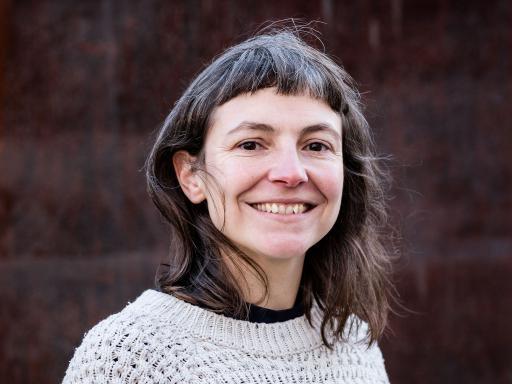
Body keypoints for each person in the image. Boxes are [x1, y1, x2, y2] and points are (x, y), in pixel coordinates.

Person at [63, 27, 396, 383]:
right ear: (191, 175)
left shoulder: (354, 346)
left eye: (316, 145)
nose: (291, 173)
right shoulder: (132, 358)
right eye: (251, 144)